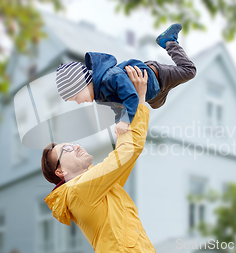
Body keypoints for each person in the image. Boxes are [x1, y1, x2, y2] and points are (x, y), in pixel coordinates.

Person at [42, 66, 156, 252]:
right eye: (67, 149)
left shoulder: (100, 187)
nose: (76, 146)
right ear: (60, 171)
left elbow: (132, 150)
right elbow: (126, 152)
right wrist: (134, 106)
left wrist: (138, 105)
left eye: (73, 143)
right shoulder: (78, 190)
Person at [55, 23, 196, 136]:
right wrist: (120, 124)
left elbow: (131, 97)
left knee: (189, 71)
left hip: (157, 75)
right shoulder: (99, 96)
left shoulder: (110, 77)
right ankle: (168, 86)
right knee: (157, 105)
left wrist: (125, 121)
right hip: (154, 93)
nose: (79, 102)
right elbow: (117, 108)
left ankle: (169, 41)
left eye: (77, 97)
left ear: (84, 84)